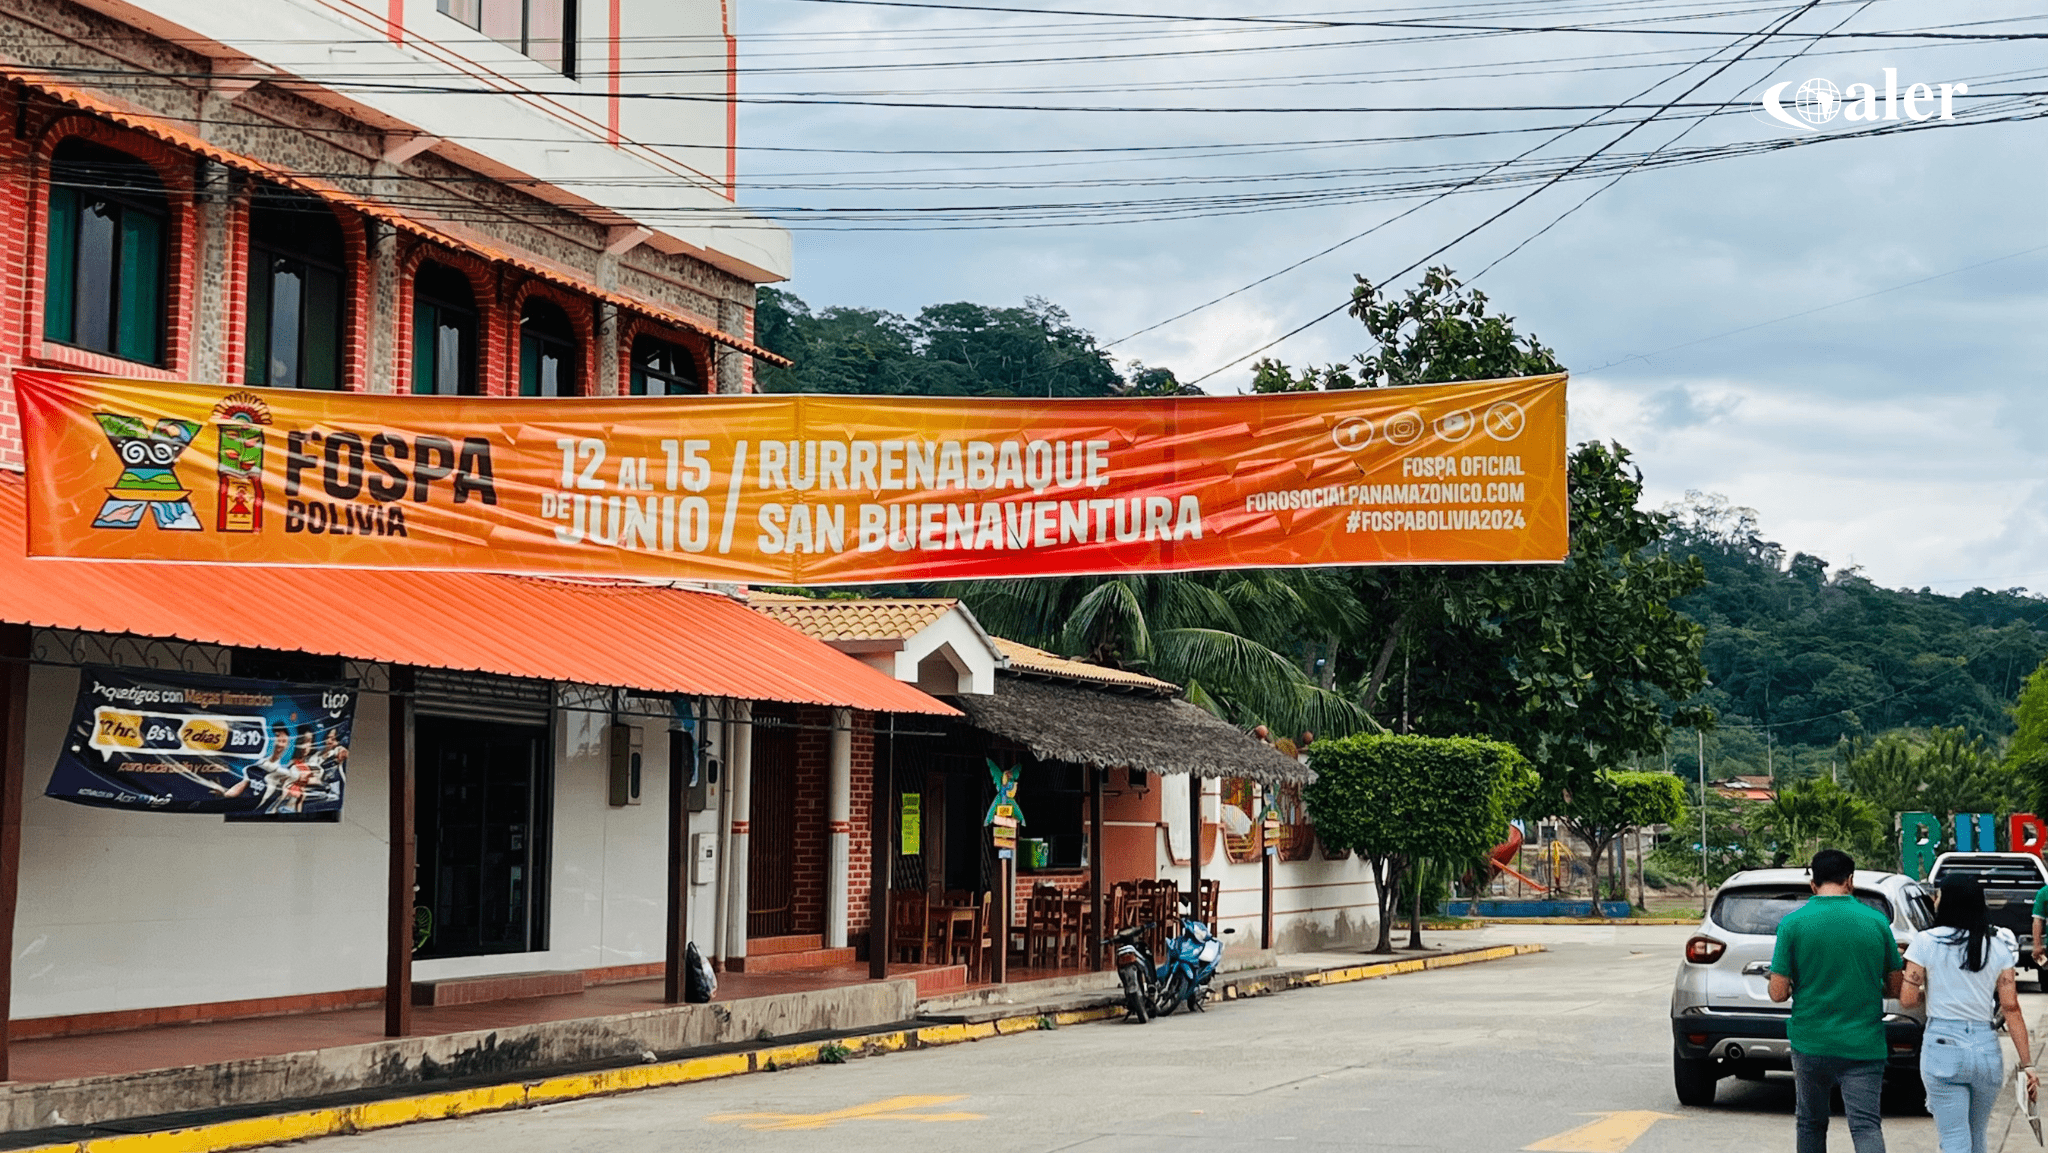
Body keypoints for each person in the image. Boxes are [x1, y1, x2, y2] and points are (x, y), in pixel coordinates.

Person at [1769, 849, 1903, 1153]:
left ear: (1813, 883)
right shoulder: (1876, 922)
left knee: (1811, 1123)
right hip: (1864, 1044)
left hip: (1810, 1043)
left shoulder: (1792, 924)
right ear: (1850, 880)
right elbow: (1895, 987)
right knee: (1866, 1126)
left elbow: (1777, 993)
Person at [1903, 878, 2037, 1153]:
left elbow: (1907, 1000)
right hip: (1985, 1048)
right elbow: (2011, 1008)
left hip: (1943, 1046)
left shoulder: (1926, 942)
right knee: (1977, 1136)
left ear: (1947, 902)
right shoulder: (1997, 947)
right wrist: (2028, 1065)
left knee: (1954, 1138)